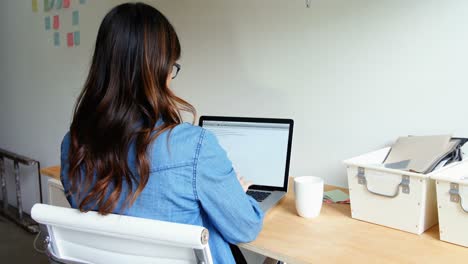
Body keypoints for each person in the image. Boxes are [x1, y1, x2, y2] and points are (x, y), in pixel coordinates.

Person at [59, 2, 264, 263]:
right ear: (157, 71)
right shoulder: (194, 147)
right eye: (171, 67)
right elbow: (246, 228)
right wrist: (233, 190)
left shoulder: (73, 146)